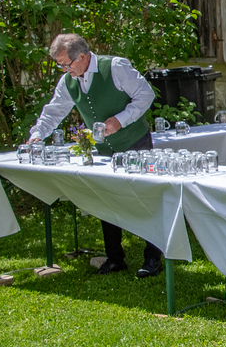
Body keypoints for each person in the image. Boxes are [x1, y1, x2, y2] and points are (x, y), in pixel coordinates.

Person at [29, 34, 164, 278]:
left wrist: (120, 120)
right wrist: (38, 135)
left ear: (82, 56)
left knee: (144, 198)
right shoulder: (68, 81)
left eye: (66, 64)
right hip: (104, 150)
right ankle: (115, 258)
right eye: (61, 66)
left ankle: (153, 257)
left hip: (134, 141)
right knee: (107, 200)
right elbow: (54, 111)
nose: (64, 70)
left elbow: (145, 95)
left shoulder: (115, 67)